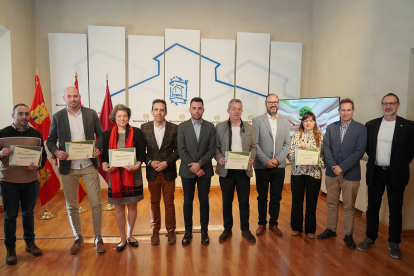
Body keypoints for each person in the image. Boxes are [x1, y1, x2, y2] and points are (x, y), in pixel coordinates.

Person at [46, 87, 105, 254]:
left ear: (80, 97)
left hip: (88, 165)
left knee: (96, 203)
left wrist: (98, 148)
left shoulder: (91, 113)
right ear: (64, 98)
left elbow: (100, 135)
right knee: (72, 205)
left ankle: (98, 237)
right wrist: (56, 151)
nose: (73, 99)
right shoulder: (58, 117)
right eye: (69, 96)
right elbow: (50, 140)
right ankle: (78, 237)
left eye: (75, 96)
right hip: (68, 167)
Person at [357, 93, 414, 259]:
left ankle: (394, 242)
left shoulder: (408, 126)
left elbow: (411, 151)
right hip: (375, 171)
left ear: (398, 104)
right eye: (385, 103)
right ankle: (370, 238)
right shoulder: (371, 125)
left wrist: (398, 164)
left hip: (396, 174)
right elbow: (368, 148)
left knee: (395, 209)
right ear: (382, 105)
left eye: (392, 103)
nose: (388, 106)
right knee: (372, 207)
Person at [0, 104, 47, 265]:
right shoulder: (2, 134)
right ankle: (10, 249)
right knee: (10, 216)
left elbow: (43, 156)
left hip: (30, 182)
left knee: (28, 214)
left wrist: (38, 166)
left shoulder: (36, 134)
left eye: (27, 114)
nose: (24, 117)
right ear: (13, 115)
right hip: (9, 183)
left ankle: (30, 243)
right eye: (20, 114)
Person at [317, 98, 367, 250]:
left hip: (350, 175)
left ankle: (348, 234)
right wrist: (334, 167)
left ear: (352, 111)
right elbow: (327, 149)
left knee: (349, 206)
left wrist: (342, 168)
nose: (345, 112)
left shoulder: (361, 129)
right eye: (343, 110)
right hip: (332, 174)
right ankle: (331, 229)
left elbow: (359, 151)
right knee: (332, 204)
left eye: (348, 110)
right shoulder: (331, 127)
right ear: (339, 111)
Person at [101, 104, 145, 251]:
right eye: (119, 116)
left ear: (128, 117)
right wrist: (105, 165)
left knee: (132, 206)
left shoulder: (137, 132)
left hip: (132, 173)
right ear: (114, 117)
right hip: (115, 174)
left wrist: (137, 165)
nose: (122, 118)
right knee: (119, 207)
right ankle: (122, 238)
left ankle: (130, 235)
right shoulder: (107, 134)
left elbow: (141, 153)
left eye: (125, 116)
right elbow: (105, 156)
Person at [215, 99, 256, 243]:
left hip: (243, 170)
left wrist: (251, 158)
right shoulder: (219, 127)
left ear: (242, 111)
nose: (236, 111)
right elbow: (215, 147)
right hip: (227, 171)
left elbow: (253, 147)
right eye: (233, 109)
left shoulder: (249, 128)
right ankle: (227, 229)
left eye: (239, 109)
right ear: (228, 111)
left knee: (244, 202)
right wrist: (219, 157)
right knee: (227, 201)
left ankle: (245, 229)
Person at [177, 97, 216, 246]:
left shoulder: (210, 127)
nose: (197, 111)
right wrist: (193, 167)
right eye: (194, 108)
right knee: (188, 201)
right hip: (187, 171)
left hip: (204, 171)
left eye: (199, 108)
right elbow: (181, 150)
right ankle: (188, 232)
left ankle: (204, 231)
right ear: (190, 109)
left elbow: (212, 149)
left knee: (204, 201)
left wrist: (199, 164)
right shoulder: (182, 127)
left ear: (203, 110)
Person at [141, 99, 179, 245]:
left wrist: (167, 162)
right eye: (156, 109)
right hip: (152, 172)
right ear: (152, 112)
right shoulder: (144, 128)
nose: (159, 112)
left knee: (169, 203)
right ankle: (155, 231)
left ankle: (171, 231)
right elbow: (141, 151)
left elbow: (177, 151)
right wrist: (150, 162)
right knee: (154, 202)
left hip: (168, 171)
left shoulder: (174, 128)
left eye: (162, 110)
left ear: (166, 112)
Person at [252, 94, 290, 237]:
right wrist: (266, 160)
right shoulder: (256, 121)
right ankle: (261, 223)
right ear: (265, 103)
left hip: (278, 167)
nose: (273, 104)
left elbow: (287, 144)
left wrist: (277, 160)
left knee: (276, 197)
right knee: (262, 197)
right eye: (270, 102)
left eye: (275, 102)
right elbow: (254, 143)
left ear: (278, 104)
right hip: (262, 166)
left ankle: (274, 223)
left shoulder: (285, 122)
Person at [288, 112, 326, 239]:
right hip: (297, 173)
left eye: (310, 120)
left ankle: (310, 229)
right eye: (305, 121)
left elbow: (325, 157)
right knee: (297, 201)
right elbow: (290, 156)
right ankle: (296, 227)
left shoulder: (321, 137)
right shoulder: (295, 136)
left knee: (311, 202)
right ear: (302, 123)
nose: (308, 123)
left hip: (314, 174)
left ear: (315, 122)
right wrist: (299, 152)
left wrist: (318, 163)